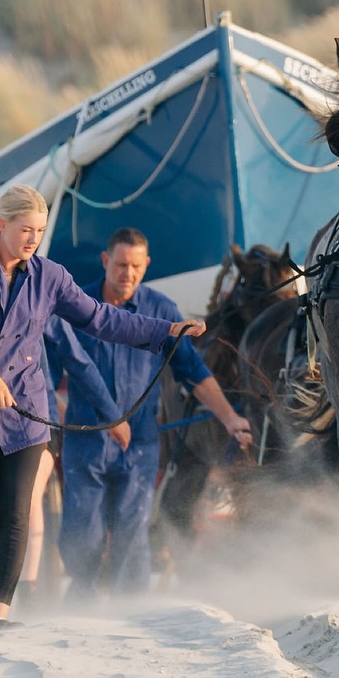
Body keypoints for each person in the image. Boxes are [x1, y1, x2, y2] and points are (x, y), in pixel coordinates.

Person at [0, 184, 230, 629]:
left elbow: (101, 319)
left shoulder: (50, 277)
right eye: (25, 229)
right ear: (1, 225)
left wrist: (165, 330)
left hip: (26, 411)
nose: (32, 239)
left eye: (40, 231)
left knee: (16, 513)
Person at [45, 227, 250, 600]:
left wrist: (230, 418)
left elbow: (194, 373)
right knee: (83, 533)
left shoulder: (162, 311)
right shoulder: (77, 307)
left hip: (139, 443)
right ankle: (80, 605)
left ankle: (131, 614)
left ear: (147, 265)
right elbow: (47, 374)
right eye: (121, 265)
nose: (128, 274)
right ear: (106, 261)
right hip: (86, 440)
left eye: (136, 266)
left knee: (132, 528)